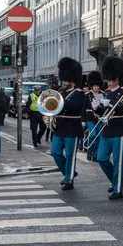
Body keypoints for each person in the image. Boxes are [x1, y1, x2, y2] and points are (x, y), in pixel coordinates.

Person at [95, 56, 123, 200]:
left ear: (117, 77)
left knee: (118, 161)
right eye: (108, 79)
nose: (109, 81)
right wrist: (98, 108)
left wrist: (108, 105)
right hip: (107, 130)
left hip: (119, 130)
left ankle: (118, 189)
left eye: (111, 79)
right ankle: (115, 181)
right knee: (101, 158)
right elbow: (103, 112)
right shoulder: (107, 92)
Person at [50, 57, 87, 191]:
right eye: (63, 79)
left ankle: (69, 180)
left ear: (72, 80)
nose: (64, 82)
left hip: (72, 127)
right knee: (55, 152)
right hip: (59, 127)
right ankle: (68, 173)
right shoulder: (60, 92)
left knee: (71, 155)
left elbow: (76, 107)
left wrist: (62, 103)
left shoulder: (80, 94)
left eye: (66, 80)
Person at [84, 71, 103, 161]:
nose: (96, 87)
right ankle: (89, 151)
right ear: (92, 86)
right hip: (90, 118)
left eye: (97, 86)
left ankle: (95, 155)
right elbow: (83, 108)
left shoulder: (102, 94)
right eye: (94, 86)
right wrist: (83, 121)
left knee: (99, 137)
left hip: (99, 119)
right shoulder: (87, 95)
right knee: (92, 135)